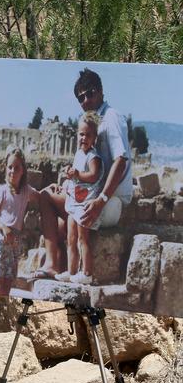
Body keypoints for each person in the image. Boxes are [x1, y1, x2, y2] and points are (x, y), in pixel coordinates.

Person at [33, 68, 133, 279]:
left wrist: (101, 200)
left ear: (101, 91)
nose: (86, 100)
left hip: (109, 201)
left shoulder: (110, 117)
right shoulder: (94, 122)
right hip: (97, 196)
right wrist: (67, 186)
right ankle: (64, 271)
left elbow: (120, 161)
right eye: (81, 98)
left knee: (45, 198)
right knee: (60, 226)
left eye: (90, 93)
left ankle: (54, 266)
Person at [55, 112, 104, 285]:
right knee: (71, 238)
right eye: (81, 134)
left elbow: (93, 175)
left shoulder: (93, 157)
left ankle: (87, 273)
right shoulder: (78, 154)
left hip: (85, 203)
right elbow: (76, 175)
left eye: (88, 135)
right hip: (74, 201)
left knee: (83, 238)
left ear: (94, 138)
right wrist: (69, 175)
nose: (84, 138)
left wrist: (78, 174)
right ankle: (71, 271)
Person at [0, 146, 40, 296]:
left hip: (16, 242)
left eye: (16, 168)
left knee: (8, 283)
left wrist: (52, 188)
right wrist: (4, 227)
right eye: (10, 167)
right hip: (1, 239)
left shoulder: (26, 191)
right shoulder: (2, 191)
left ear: (22, 170)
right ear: (6, 169)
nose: (12, 171)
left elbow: (40, 196)